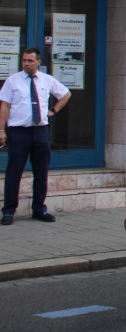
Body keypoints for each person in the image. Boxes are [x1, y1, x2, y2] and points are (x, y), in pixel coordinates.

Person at [0, 47, 71, 225]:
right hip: (19, 132)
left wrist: (54, 110)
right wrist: (1, 130)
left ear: (38, 62)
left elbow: (66, 94)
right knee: (14, 172)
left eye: (30, 61)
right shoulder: (13, 81)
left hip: (40, 131)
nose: (26, 63)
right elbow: (5, 105)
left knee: (41, 171)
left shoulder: (46, 80)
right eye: (24, 60)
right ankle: (9, 211)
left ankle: (39, 209)